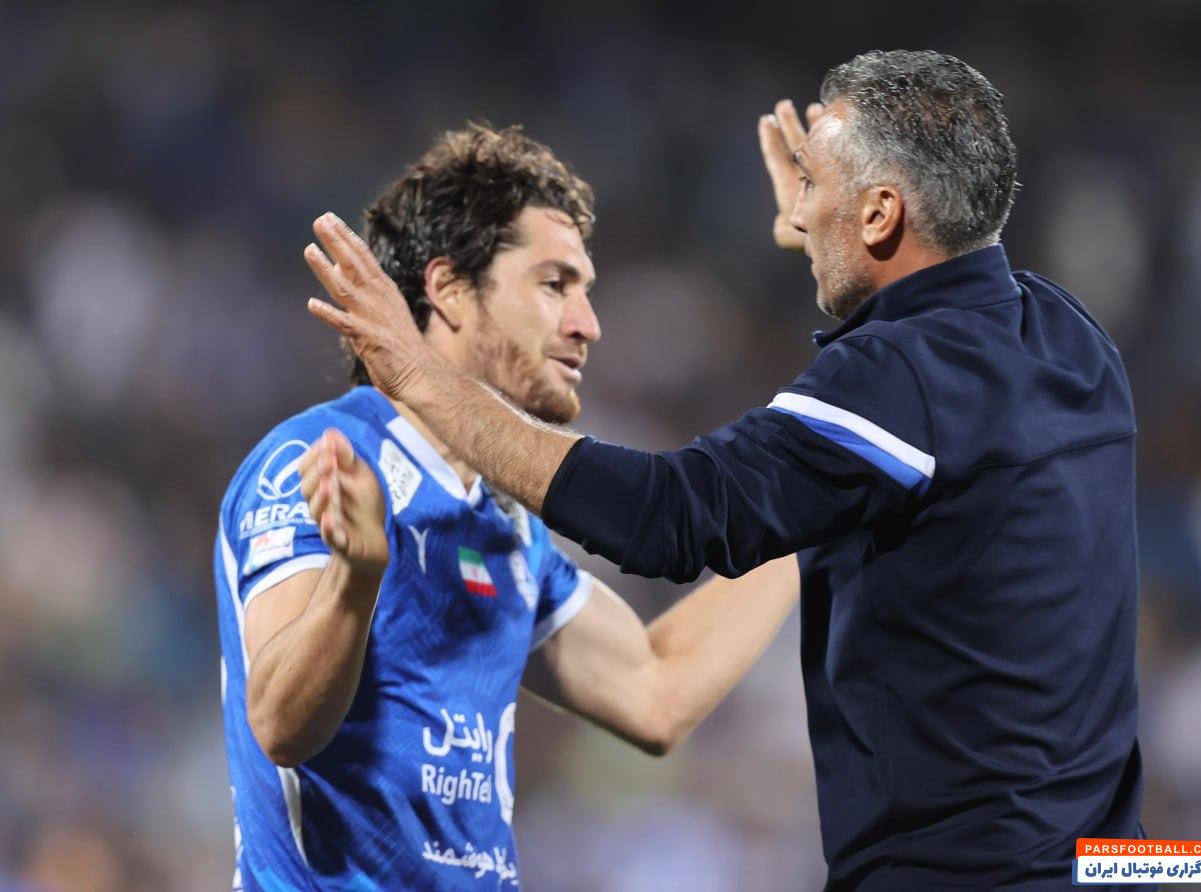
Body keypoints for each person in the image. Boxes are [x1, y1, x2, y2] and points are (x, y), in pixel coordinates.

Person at [305, 50, 1153, 890]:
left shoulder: (897, 379)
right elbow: (904, 418)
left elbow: (669, 516)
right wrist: (845, 253)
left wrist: (424, 377)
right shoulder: (1069, 334)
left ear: (881, 213)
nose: (801, 209)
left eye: (815, 186)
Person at [215, 122, 800, 890]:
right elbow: (279, 723)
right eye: (555, 285)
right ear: (450, 290)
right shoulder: (319, 457)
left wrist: (813, 506)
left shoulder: (506, 524)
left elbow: (655, 689)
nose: (587, 324)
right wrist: (355, 581)